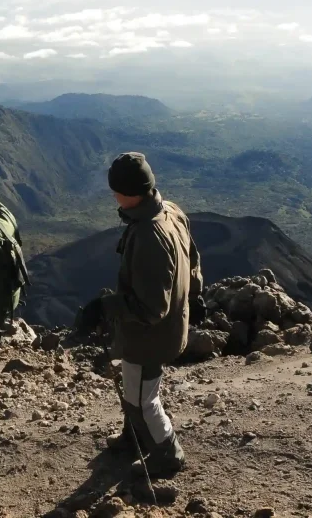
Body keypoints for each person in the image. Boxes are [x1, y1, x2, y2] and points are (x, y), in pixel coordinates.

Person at [80, 152, 202, 477]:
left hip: (151, 337)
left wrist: (104, 307)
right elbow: (193, 261)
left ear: (130, 193)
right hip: (174, 323)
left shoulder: (148, 234)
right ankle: (133, 438)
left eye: (115, 191)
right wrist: (195, 296)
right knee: (135, 389)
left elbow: (150, 309)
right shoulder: (171, 212)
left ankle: (167, 453)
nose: (113, 197)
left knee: (141, 400)